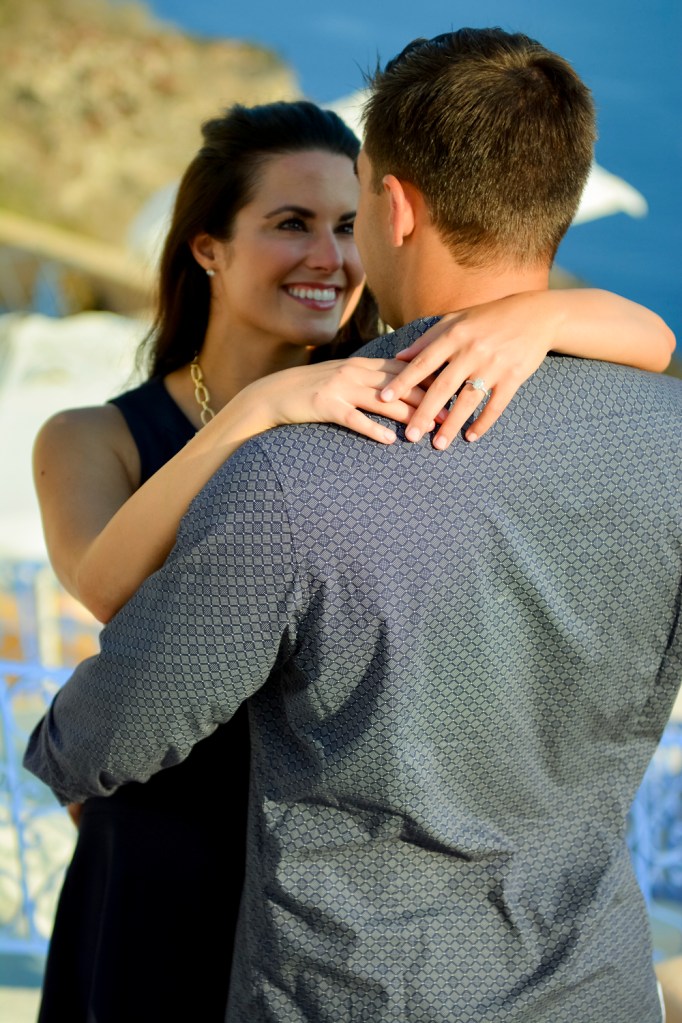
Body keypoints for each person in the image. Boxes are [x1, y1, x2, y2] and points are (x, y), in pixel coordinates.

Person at [26, 45, 680, 1023]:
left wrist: (557, 316)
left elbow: (96, 737)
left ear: (395, 211)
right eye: (291, 223)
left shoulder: (321, 454)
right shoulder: (658, 436)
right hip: (566, 978)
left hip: (341, 967)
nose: (331, 254)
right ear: (206, 246)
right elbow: (108, 586)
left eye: (348, 215)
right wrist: (261, 412)